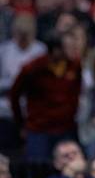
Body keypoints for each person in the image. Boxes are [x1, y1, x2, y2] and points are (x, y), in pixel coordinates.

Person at [10, 30, 82, 163]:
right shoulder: (32, 68)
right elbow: (14, 95)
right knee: (38, 170)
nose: (74, 51)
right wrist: (21, 123)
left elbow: (76, 93)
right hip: (39, 129)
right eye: (68, 48)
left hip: (66, 128)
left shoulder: (76, 65)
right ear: (55, 50)